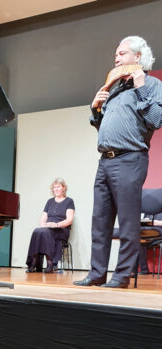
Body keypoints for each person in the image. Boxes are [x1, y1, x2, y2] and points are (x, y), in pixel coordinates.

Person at [74, 36, 162, 288]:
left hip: (130, 159)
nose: (117, 58)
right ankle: (96, 273)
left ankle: (122, 276)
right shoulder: (115, 89)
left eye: (122, 53)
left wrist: (141, 87)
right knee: (100, 222)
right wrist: (96, 110)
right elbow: (105, 129)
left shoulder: (152, 84)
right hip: (105, 160)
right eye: (116, 54)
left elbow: (157, 120)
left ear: (138, 57)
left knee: (127, 222)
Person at [26, 178, 75, 273]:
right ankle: (34, 263)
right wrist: (43, 224)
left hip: (62, 229)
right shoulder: (49, 201)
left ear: (64, 188)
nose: (56, 189)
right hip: (49, 228)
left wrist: (56, 224)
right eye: (54, 187)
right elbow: (43, 217)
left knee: (46, 232)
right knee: (37, 231)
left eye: (58, 187)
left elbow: (69, 220)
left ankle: (50, 263)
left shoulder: (69, 201)